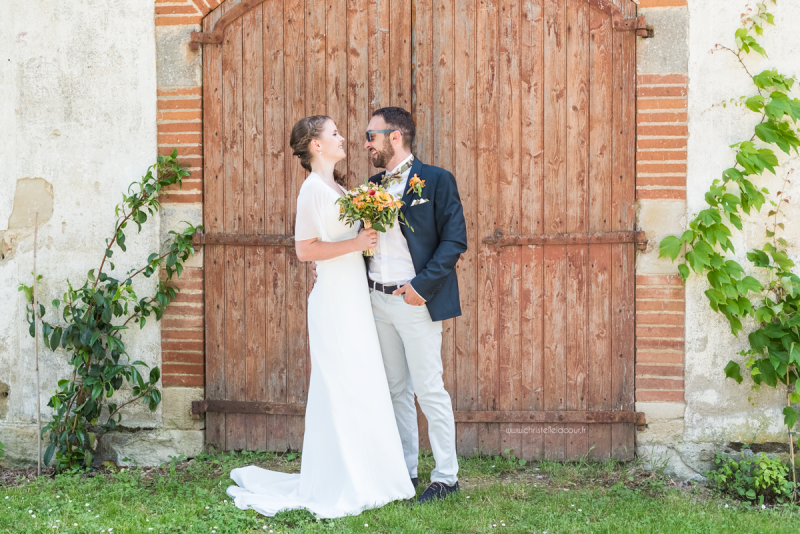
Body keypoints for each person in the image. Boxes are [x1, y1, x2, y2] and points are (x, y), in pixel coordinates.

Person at [226, 115, 415, 519]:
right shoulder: (312, 190)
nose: (342, 138)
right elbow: (305, 250)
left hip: (353, 295)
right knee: (339, 386)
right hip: (333, 301)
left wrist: (366, 234)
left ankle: (370, 471)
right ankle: (342, 477)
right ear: (315, 145)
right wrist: (356, 243)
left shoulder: (337, 187)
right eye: (333, 134)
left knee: (361, 381)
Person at [363, 107, 468, 504]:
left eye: (371, 135)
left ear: (395, 137)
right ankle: (404, 470)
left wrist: (420, 289)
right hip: (377, 299)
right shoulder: (372, 184)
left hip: (415, 301)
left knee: (429, 389)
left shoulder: (437, 181)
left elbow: (453, 241)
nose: (366, 143)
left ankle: (446, 476)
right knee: (395, 390)